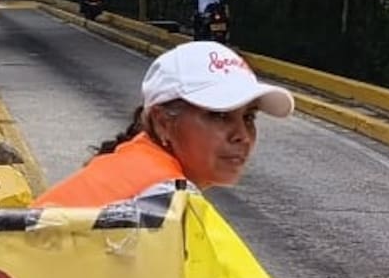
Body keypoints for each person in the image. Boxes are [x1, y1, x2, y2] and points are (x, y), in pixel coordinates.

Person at [32, 41, 295, 208]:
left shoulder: (137, 170)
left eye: (249, 117)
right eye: (219, 115)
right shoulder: (160, 201)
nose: (242, 136)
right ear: (162, 123)